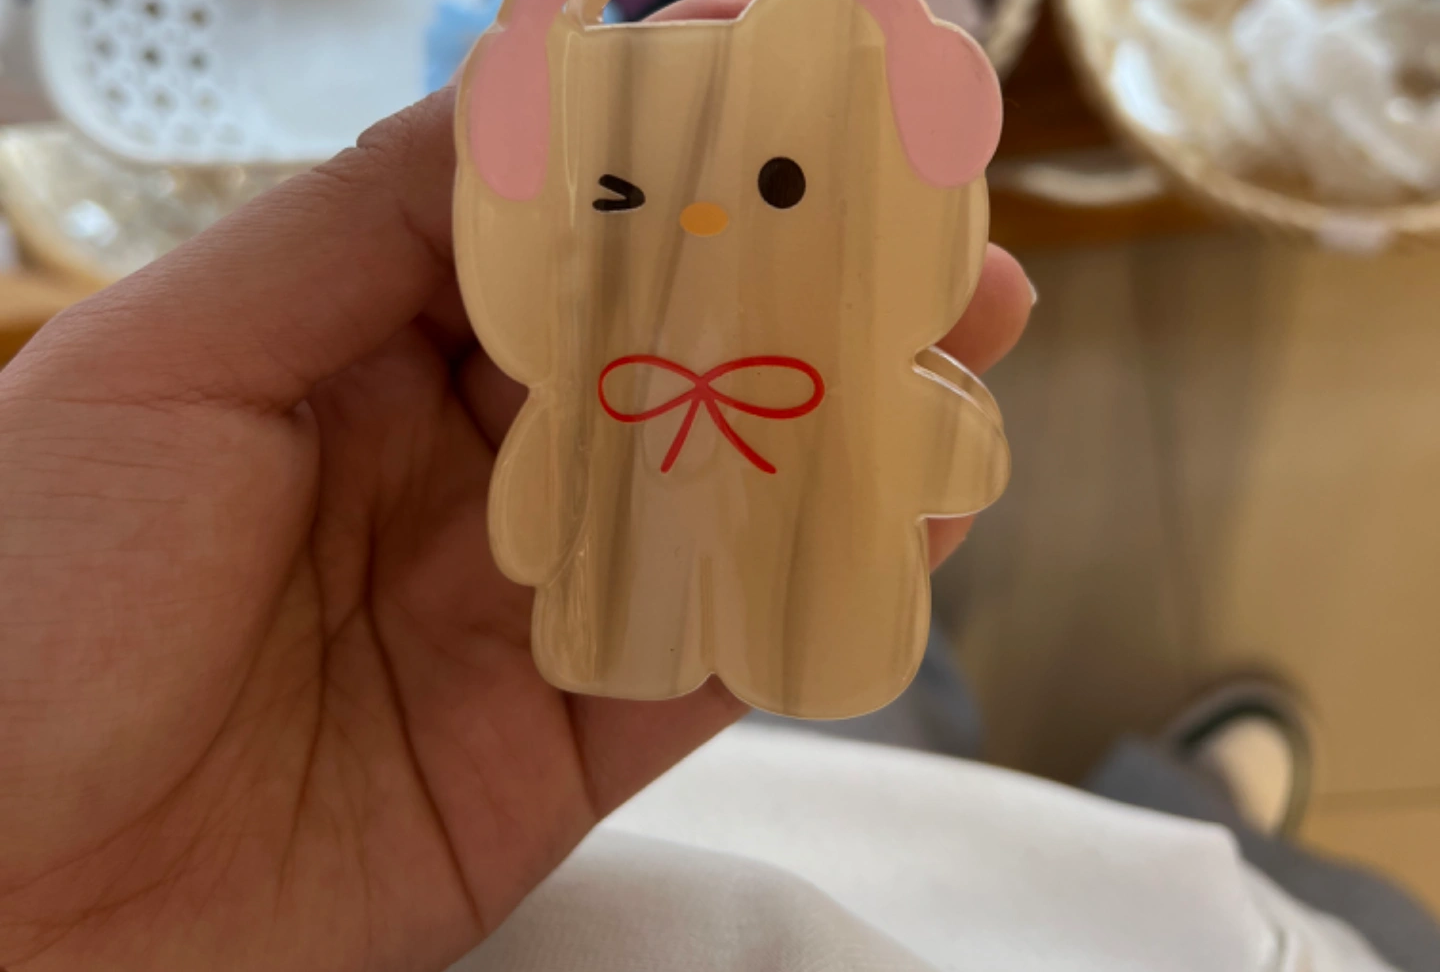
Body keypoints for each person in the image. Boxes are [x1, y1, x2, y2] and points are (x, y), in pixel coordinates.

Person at [0, 87, 1432, 972]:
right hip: (598, 795)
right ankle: (1184, 824)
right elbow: (538, 494)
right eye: (627, 196)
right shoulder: (582, 365)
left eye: (778, 187)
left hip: (544, 794)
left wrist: (51, 903)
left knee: (866, 686)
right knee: (970, 794)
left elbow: (937, 438)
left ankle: (1153, 816)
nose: (696, 220)